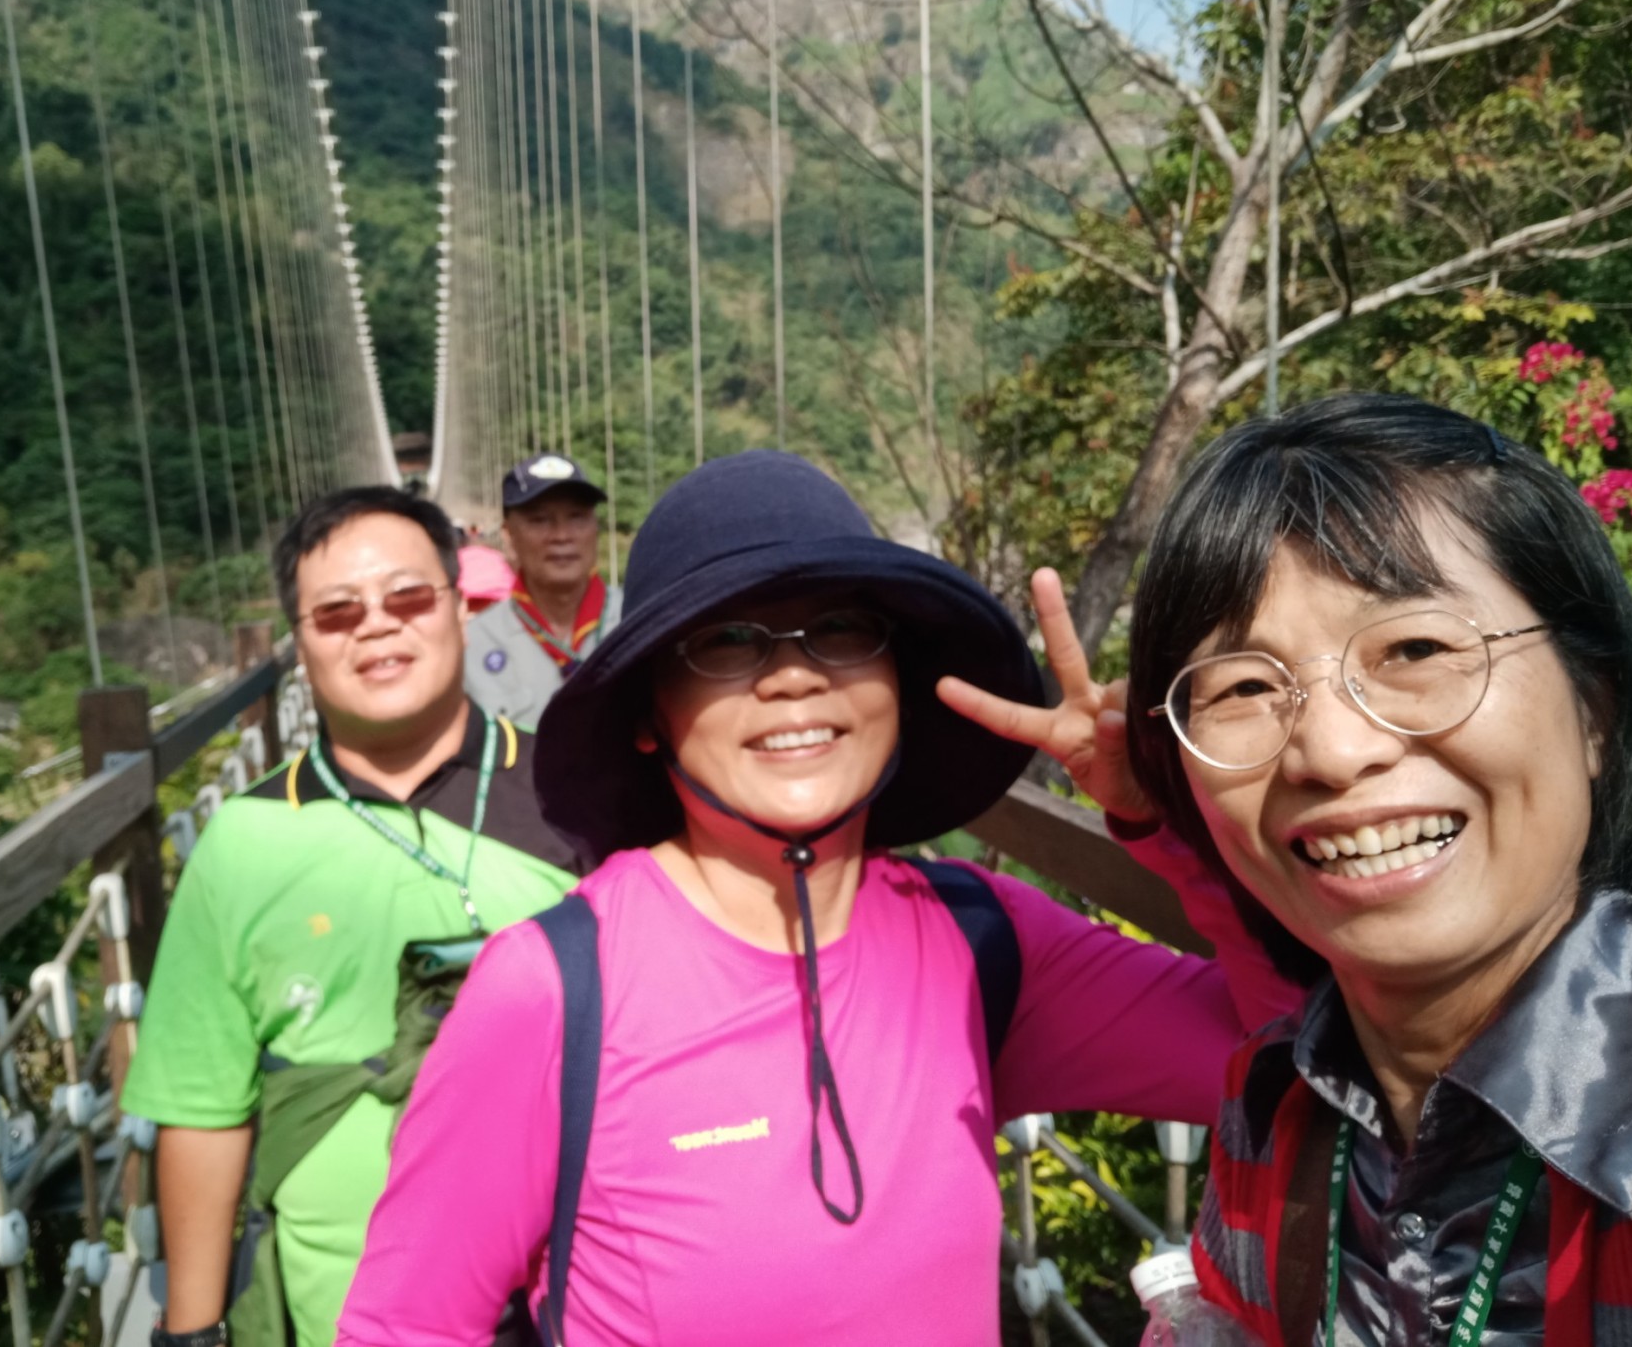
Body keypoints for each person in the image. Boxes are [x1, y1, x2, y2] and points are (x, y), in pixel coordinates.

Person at [337, 451, 1295, 1346]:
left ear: (897, 684)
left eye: (840, 629)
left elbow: (1285, 1051)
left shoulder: (980, 941)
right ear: (647, 716)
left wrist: (1166, 819)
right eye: (724, 640)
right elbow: (404, 1327)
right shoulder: (553, 987)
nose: (794, 675)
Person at [958, 394, 1632, 1342]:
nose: (1332, 751)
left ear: (1596, 710)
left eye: (1416, 647)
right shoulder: (1274, 1108)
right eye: (1245, 686)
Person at [120, 486, 594, 1347]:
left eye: (408, 597)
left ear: (460, 608)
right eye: (337, 612)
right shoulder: (244, 843)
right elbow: (202, 1107)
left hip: (577, 1297)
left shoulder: (576, 800)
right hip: (335, 1311)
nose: (376, 626)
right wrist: (191, 1334)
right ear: (299, 644)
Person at [464, 452, 624, 728]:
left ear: (595, 527)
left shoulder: (639, 619)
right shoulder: (471, 646)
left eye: (577, 518)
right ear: (508, 535)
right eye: (539, 520)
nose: (562, 536)